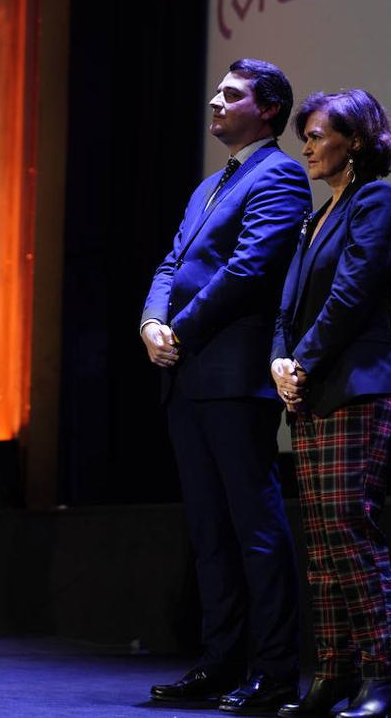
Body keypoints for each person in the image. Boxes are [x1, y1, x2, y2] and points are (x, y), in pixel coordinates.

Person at [141, 59, 311, 714]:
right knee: (210, 534)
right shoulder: (209, 185)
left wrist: (177, 326)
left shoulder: (282, 176)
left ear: (268, 109)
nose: (215, 99)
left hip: (233, 377)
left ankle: (272, 675)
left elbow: (249, 269)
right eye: (217, 90)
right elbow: (170, 261)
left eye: (232, 94)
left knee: (255, 529)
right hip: (187, 377)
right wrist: (151, 321)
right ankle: (219, 665)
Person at [270, 90, 391, 718]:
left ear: (354, 141)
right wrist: (280, 360)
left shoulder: (375, 200)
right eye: (306, 134)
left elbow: (352, 293)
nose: (306, 145)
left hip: (356, 387)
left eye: (319, 134)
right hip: (312, 393)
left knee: (352, 534)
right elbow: (287, 306)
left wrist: (304, 359)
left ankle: (384, 677)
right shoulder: (312, 218)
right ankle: (331, 676)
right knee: (322, 544)